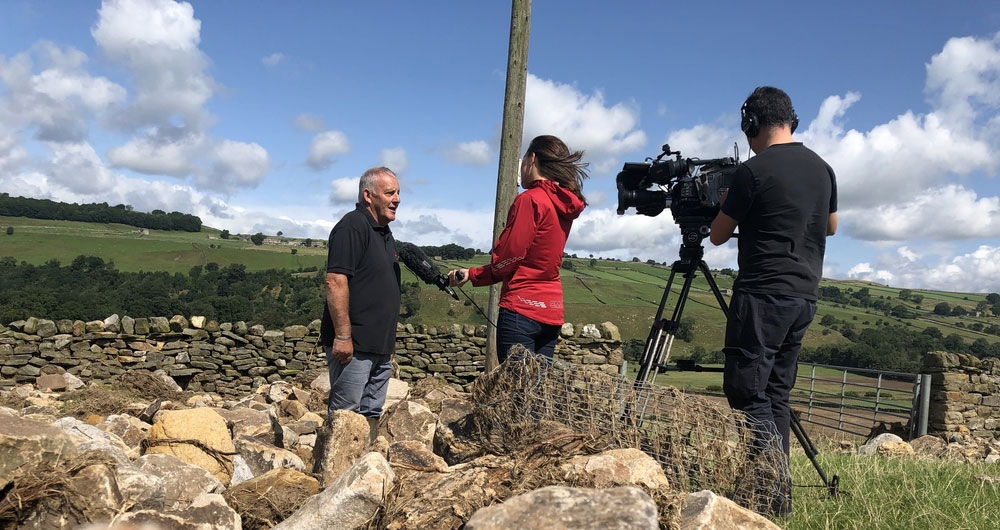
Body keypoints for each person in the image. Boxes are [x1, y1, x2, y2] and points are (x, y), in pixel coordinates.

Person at [710, 86, 838, 514]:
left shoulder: (753, 171)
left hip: (763, 293)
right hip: (805, 295)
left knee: (746, 391)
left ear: (753, 125)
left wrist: (729, 203)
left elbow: (718, 234)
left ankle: (767, 489)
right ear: (791, 119)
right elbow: (831, 226)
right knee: (776, 394)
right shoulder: (823, 169)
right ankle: (775, 497)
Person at [448, 135, 587, 364]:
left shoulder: (530, 200)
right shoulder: (563, 203)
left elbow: (508, 258)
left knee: (514, 393)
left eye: (523, 159)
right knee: (538, 393)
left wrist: (471, 275)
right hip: (551, 311)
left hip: (521, 308)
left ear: (531, 159)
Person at [320, 166, 401, 433]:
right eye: (390, 193)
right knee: (345, 416)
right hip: (354, 346)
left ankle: (366, 468)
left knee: (371, 413)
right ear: (368, 195)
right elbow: (335, 281)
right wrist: (343, 336)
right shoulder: (352, 226)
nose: (397, 199)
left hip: (379, 348)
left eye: (398, 193)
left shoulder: (383, 233)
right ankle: (335, 472)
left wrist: (388, 344)